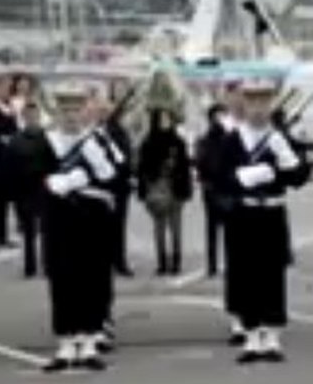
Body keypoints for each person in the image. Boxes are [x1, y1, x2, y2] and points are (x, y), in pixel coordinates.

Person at [214, 78, 310, 363]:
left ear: (271, 104)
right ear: (244, 103)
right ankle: (252, 334)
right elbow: (219, 178)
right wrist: (243, 177)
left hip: (271, 213)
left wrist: (289, 160)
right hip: (244, 215)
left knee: (271, 272)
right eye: (253, 101)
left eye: (264, 101)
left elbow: (299, 178)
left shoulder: (279, 137)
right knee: (246, 273)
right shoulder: (232, 139)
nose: (258, 108)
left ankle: (272, 335)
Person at [39, 83, 121, 373]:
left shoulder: (94, 143)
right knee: (62, 282)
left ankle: (87, 342)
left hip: (90, 222)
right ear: (57, 112)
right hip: (59, 222)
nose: (71, 116)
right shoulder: (45, 142)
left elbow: (114, 179)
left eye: (75, 109)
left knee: (89, 280)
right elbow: (30, 176)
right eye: (65, 110)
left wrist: (86, 179)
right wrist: (50, 183)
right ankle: (65, 343)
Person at [137, 109, 193, 276]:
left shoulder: (179, 142)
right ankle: (161, 262)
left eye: (168, 118)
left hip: (175, 188)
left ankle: (176, 261)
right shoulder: (148, 142)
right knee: (159, 228)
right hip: (156, 188)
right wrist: (145, 187)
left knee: (176, 227)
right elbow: (142, 168)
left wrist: (185, 188)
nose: (165, 122)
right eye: (161, 119)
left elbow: (185, 167)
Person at [91, 94, 135, 277]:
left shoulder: (118, 131)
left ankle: (119, 261)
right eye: (100, 111)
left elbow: (126, 157)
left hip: (117, 186)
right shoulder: (91, 131)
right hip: (97, 186)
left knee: (118, 226)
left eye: (106, 111)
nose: (102, 114)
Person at [8, 101, 49, 277]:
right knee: (29, 232)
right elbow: (9, 168)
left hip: (44, 189)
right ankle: (30, 266)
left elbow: (53, 164)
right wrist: (13, 193)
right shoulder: (16, 140)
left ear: (38, 117)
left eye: (35, 115)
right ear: (24, 117)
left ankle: (47, 264)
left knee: (47, 230)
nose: (32, 118)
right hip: (24, 191)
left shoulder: (47, 137)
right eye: (29, 115)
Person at [195, 104, 231, 279]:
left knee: (224, 228)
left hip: (222, 188)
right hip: (214, 188)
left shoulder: (228, 138)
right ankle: (212, 264)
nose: (220, 120)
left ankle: (218, 264)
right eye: (218, 116)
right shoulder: (206, 140)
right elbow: (200, 163)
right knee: (213, 228)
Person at [0, 66, 16, 248]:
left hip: (6, 159)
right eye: (5, 86)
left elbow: (13, 130)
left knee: (3, 200)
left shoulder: (8, 107)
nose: (8, 89)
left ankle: (2, 235)